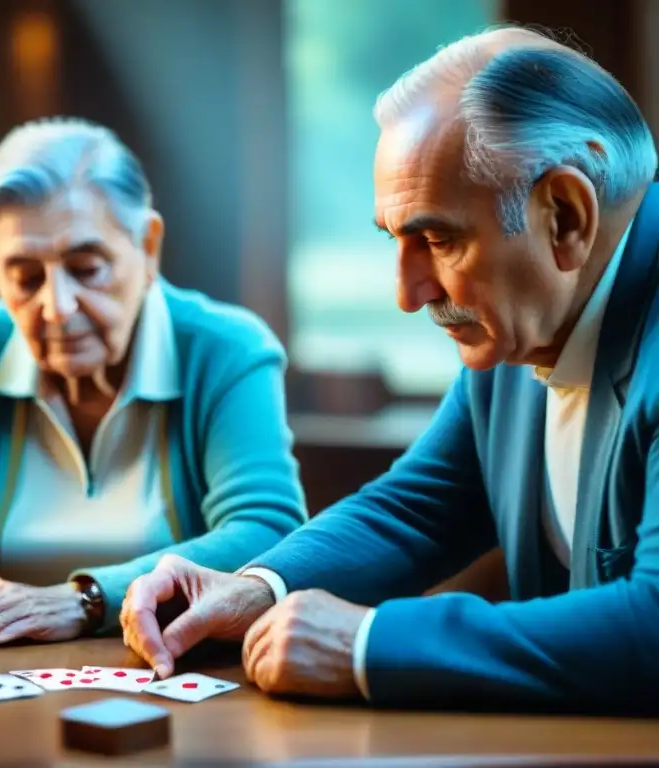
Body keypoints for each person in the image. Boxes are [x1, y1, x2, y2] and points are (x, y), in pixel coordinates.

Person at [121, 25, 659, 713]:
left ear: (565, 215)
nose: (407, 295)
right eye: (395, 242)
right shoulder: (526, 319)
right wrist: (256, 589)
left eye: (437, 240)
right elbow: (418, 507)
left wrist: (368, 644)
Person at [0, 117, 307, 649]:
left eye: (87, 268)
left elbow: (268, 530)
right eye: (24, 277)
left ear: (148, 246)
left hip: (172, 664)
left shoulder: (226, 350)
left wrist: (85, 598)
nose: (57, 306)